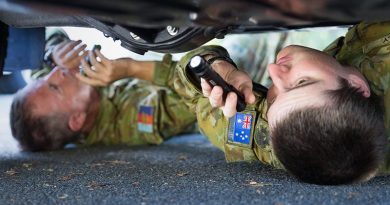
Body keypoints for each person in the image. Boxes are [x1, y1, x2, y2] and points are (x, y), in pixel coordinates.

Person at [10, 35, 197, 151]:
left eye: (43, 79)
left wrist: (52, 54)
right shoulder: (133, 121)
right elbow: (196, 90)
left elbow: (42, 28)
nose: (56, 72)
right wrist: (131, 68)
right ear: (77, 119)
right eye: (55, 87)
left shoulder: (48, 88)